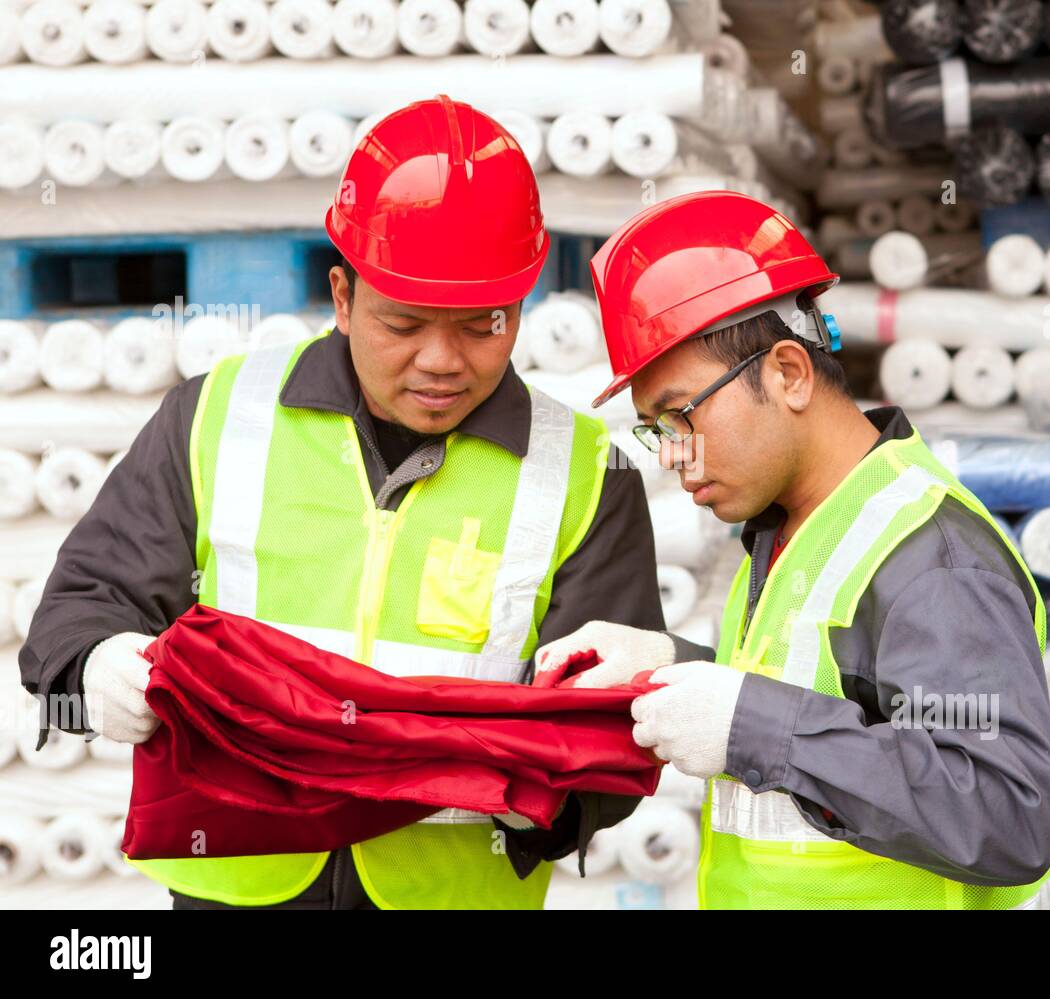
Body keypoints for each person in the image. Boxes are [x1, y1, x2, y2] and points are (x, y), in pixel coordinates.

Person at [17, 97, 681, 910]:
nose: (441, 361)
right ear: (341, 295)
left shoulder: (587, 470)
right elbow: (77, 611)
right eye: (403, 323)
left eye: (482, 326)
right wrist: (98, 667)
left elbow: (611, 734)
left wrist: (547, 798)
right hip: (241, 882)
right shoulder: (218, 415)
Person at [534, 190, 1050, 909]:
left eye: (682, 414)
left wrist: (747, 721)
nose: (673, 454)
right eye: (657, 429)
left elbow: (1009, 812)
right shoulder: (793, 526)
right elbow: (834, 704)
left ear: (788, 372)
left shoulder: (930, 556)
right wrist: (675, 668)